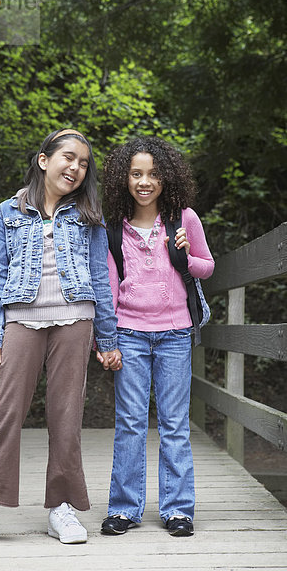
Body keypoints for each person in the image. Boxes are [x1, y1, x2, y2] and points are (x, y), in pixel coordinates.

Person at [0, 128, 122, 548]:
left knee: (66, 416)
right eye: (68, 157)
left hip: (75, 319)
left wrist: (107, 337)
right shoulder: (8, 211)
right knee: (5, 411)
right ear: (44, 160)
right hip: (21, 318)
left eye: (83, 163)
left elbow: (100, 278)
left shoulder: (88, 215)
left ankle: (60, 508)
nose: (76, 168)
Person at [99, 136, 214, 537]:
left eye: (153, 174)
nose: (145, 181)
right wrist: (107, 340)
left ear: (166, 178)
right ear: (124, 179)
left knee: (174, 423)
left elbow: (207, 267)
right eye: (136, 174)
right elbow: (110, 288)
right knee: (130, 422)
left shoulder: (184, 219)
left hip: (175, 335)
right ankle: (124, 509)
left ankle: (178, 510)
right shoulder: (114, 227)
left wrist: (184, 252)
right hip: (129, 333)